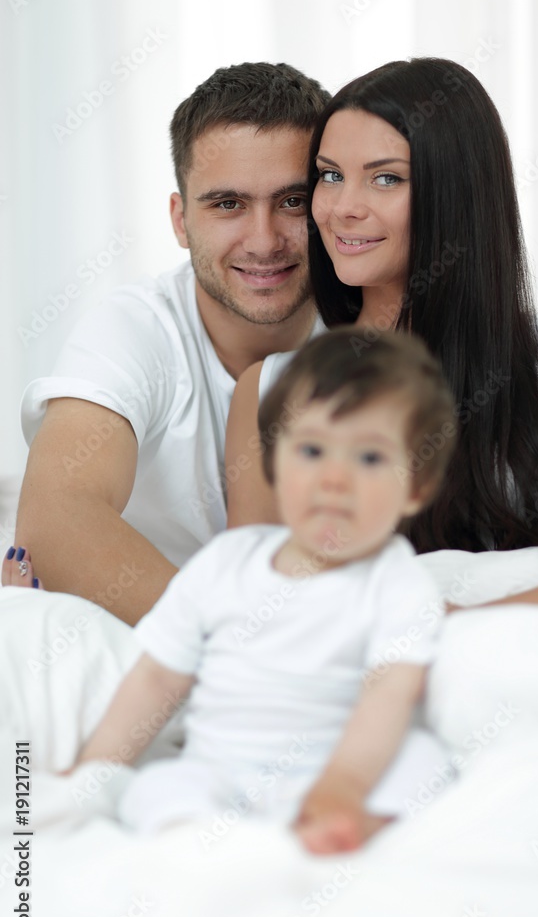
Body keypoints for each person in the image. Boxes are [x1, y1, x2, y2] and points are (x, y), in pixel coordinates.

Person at [226, 57, 538, 622]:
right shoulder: (270, 390)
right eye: (330, 175)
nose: (342, 208)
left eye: (385, 177)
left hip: (534, 670)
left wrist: (460, 627)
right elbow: (264, 605)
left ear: (456, 194)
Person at [73, 328, 455, 853]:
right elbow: (157, 675)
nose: (334, 480)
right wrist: (94, 770)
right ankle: (208, 843)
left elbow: (390, 692)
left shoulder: (396, 580)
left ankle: (342, 831)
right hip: (221, 771)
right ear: (275, 462)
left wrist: (342, 784)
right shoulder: (225, 566)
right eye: (313, 450)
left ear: (416, 486)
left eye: (368, 458)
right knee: (156, 789)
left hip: (337, 775)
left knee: (425, 765)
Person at [3, 62, 330, 625]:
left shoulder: (371, 328)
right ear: (180, 221)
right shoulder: (135, 327)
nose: (264, 240)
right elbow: (55, 520)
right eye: (227, 204)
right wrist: (235, 652)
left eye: (292, 202)